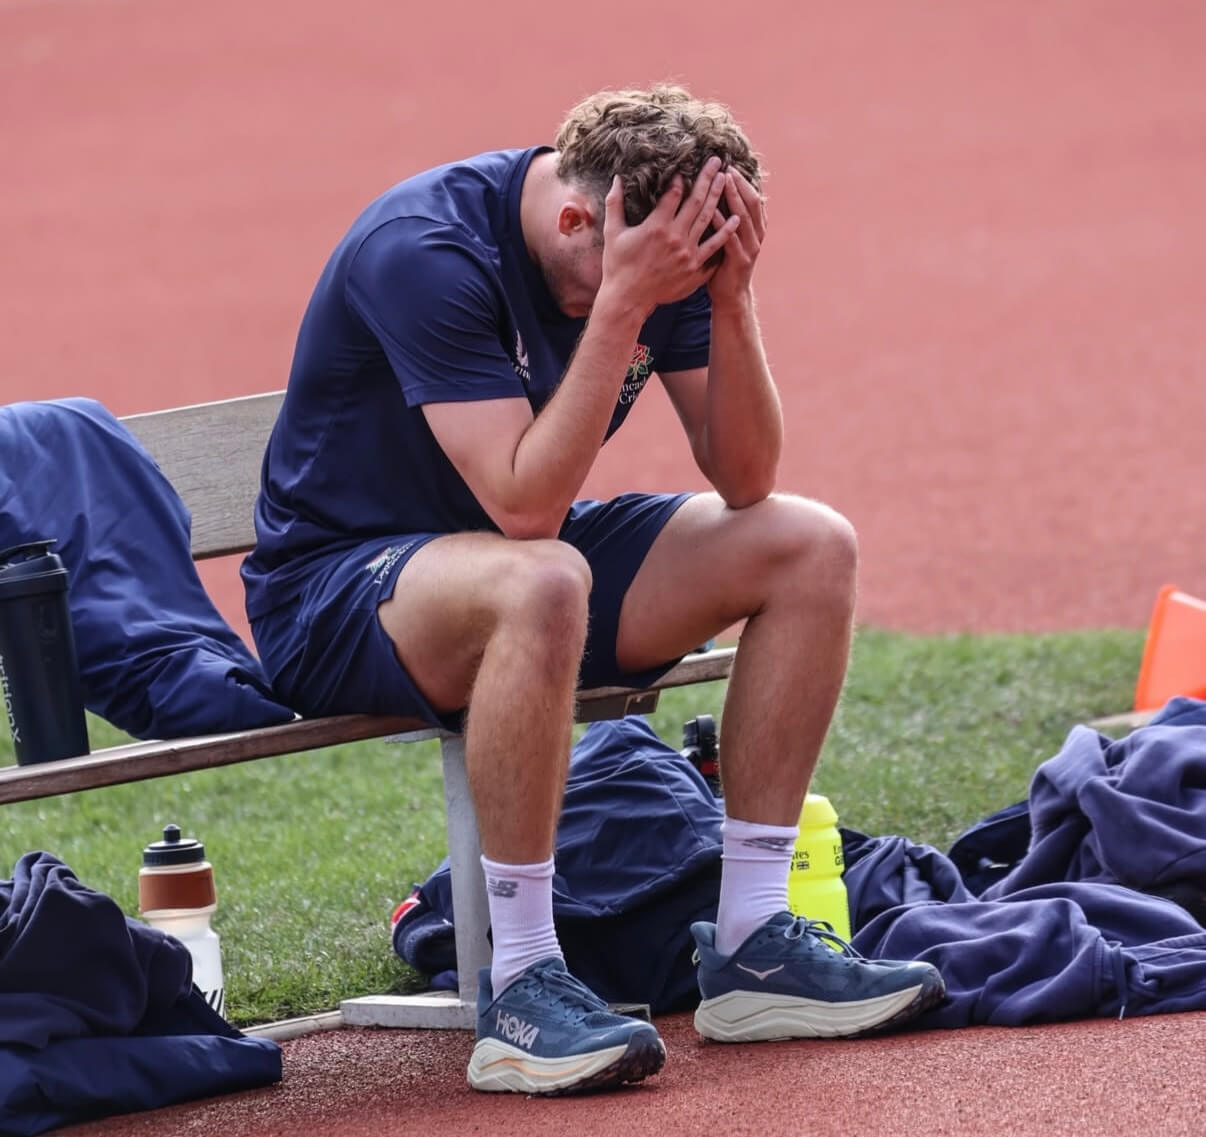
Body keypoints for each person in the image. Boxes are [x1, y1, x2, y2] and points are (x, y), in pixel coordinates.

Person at [242, 85, 945, 1096]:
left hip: (522, 568)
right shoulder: (428, 249)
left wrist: (729, 299)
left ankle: (752, 945)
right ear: (579, 220)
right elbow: (524, 508)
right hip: (339, 593)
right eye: (653, 279)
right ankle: (522, 984)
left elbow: (744, 478)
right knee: (545, 576)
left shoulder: (663, 253)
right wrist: (623, 302)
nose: (665, 300)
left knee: (807, 543)